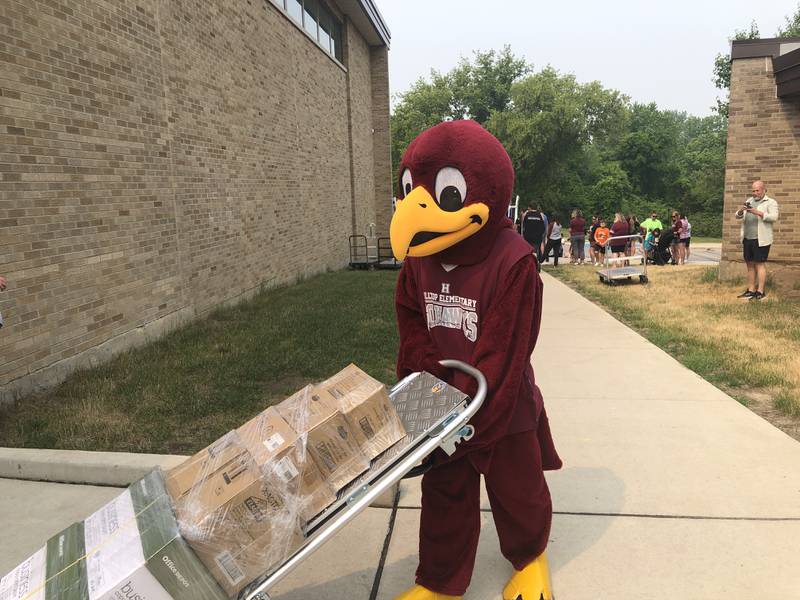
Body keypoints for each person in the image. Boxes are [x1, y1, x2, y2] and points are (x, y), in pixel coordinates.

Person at [735, 180, 779, 300]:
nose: (755, 193)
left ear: (764, 190)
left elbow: (774, 217)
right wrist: (740, 211)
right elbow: (737, 216)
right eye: (753, 190)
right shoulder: (749, 201)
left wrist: (758, 212)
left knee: (759, 264)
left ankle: (760, 291)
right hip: (747, 238)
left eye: (757, 190)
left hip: (761, 239)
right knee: (749, 264)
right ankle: (751, 290)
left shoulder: (770, 202)